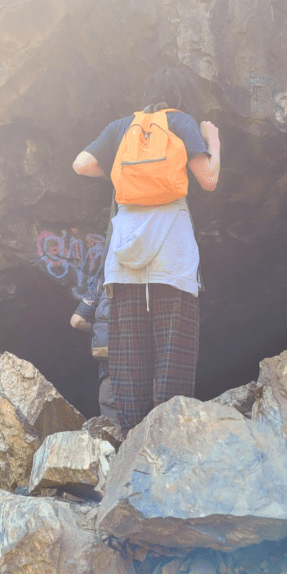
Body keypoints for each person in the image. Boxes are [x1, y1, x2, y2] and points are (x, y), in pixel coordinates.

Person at [72, 67, 220, 434]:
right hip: (171, 248)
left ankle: (133, 438)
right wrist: (212, 141)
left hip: (125, 250)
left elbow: (82, 164)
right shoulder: (182, 122)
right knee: (174, 347)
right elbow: (209, 179)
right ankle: (168, 436)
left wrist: (127, 174)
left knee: (128, 353)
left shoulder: (123, 126)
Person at [69, 278, 118, 421]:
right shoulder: (149, 281)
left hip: (111, 369)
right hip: (145, 367)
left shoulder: (102, 284)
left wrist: (96, 330)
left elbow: (76, 321)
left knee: (112, 423)